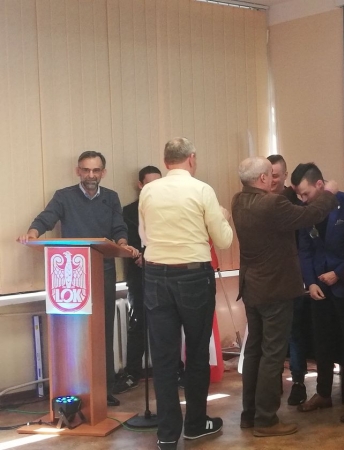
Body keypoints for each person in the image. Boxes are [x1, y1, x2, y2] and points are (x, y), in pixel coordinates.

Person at [17, 151, 139, 407]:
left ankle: (103, 390)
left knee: (103, 331)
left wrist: (122, 243)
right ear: (78, 171)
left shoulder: (110, 197)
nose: (91, 175)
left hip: (103, 271)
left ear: (103, 172)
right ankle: (74, 390)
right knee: (75, 334)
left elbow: (119, 227)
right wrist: (32, 233)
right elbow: (46, 218)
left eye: (96, 170)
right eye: (86, 170)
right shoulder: (64, 196)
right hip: (71, 277)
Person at [232, 156, 338, 437]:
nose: (274, 179)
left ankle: (249, 414)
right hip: (275, 290)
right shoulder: (271, 204)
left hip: (252, 288)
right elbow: (308, 216)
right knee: (272, 355)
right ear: (263, 178)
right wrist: (328, 193)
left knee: (254, 351)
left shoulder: (238, 200)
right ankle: (266, 420)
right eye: (271, 175)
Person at [139, 137, 233, 450]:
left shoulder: (149, 191)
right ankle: (195, 424)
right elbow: (223, 240)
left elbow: (144, 235)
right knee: (196, 353)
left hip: (155, 276)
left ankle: (167, 434)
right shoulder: (202, 190)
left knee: (164, 358)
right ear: (191, 159)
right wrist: (223, 217)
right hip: (193, 276)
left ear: (166, 161)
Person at [293, 163, 344, 422]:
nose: (303, 199)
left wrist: (339, 272)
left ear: (319, 185)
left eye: (306, 193)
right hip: (319, 287)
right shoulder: (306, 212)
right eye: (299, 196)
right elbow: (304, 249)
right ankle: (323, 393)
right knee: (322, 343)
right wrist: (310, 282)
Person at [113, 165, 162, 394]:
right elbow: (125, 240)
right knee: (138, 323)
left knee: (167, 323)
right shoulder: (128, 212)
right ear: (140, 185)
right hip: (138, 273)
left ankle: (174, 369)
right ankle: (132, 372)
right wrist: (138, 255)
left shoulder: (169, 207)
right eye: (150, 183)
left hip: (164, 273)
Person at [266, 154, 309, 406]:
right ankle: (272, 384)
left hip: (293, 278)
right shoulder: (257, 201)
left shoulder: (295, 201)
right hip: (267, 280)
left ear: (285, 175)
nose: (271, 179)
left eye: (275, 175)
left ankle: (298, 382)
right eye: (267, 174)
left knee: (295, 333)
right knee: (270, 337)